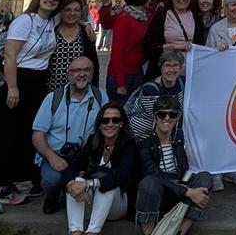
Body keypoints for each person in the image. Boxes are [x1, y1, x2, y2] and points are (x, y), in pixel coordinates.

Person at [0, 0, 62, 216]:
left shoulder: (52, 22)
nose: (51, 0)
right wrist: (13, 87)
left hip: (36, 84)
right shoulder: (26, 21)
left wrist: (84, 23)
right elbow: (10, 55)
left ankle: (7, 186)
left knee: (21, 136)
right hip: (14, 81)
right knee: (0, 135)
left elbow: (75, 8)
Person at [32, 56, 108, 213]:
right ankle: (53, 196)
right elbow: (38, 135)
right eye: (77, 70)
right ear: (69, 74)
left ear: (92, 73)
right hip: (58, 154)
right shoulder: (53, 98)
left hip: (87, 156)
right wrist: (52, 158)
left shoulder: (101, 97)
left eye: (87, 70)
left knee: (100, 178)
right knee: (51, 181)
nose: (82, 74)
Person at [136, 96, 213, 235]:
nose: (167, 118)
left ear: (177, 118)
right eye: (162, 114)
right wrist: (187, 191)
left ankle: (180, 231)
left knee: (205, 177)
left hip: (179, 189)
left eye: (172, 114)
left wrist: (186, 187)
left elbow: (184, 170)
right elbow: (154, 175)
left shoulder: (179, 139)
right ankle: (151, 233)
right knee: (149, 183)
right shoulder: (145, 145)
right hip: (159, 193)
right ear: (155, 117)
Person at [62, 102, 138, 235]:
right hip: (91, 202)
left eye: (115, 120)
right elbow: (72, 167)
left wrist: (88, 184)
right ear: (99, 124)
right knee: (76, 181)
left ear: (121, 124)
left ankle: (93, 232)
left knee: (105, 183)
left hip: (117, 205)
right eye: (105, 120)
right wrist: (72, 185)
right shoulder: (93, 141)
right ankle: (75, 231)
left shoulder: (128, 144)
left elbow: (122, 175)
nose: (110, 124)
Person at [142, 0, 206, 80]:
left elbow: (200, 45)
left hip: (188, 73)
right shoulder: (162, 17)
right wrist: (174, 46)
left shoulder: (196, 18)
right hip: (164, 72)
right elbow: (147, 47)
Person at [105, 0, 153, 100]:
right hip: (122, 76)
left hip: (136, 72)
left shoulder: (143, 18)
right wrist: (120, 84)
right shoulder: (124, 19)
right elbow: (117, 52)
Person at [127, 50, 186, 142]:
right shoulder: (150, 89)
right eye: (167, 65)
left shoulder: (183, 83)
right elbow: (161, 119)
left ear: (181, 67)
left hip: (167, 131)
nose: (171, 70)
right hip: (143, 136)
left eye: (175, 65)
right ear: (161, 68)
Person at [47, 0, 100, 92]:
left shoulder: (87, 34)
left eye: (76, 10)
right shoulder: (51, 32)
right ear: (61, 12)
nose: (72, 13)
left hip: (79, 90)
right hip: (52, 89)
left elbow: (94, 65)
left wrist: (94, 90)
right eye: (67, 10)